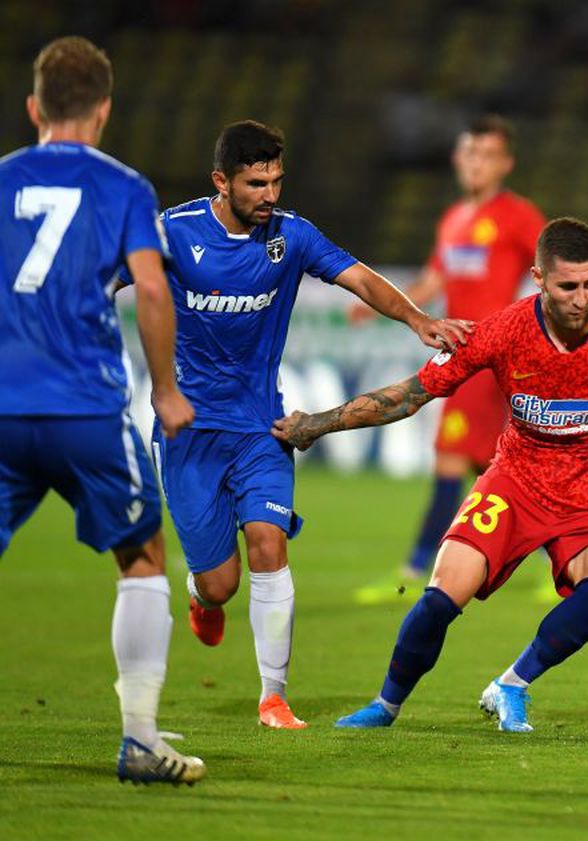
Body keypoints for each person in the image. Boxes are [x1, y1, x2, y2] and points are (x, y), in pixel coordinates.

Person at [273, 217, 588, 731]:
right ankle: (386, 705)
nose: (581, 298)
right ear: (539, 278)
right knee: (442, 596)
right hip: (515, 485)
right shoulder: (503, 332)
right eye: (568, 286)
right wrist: (318, 423)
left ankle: (512, 684)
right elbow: (410, 395)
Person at [125, 120, 471, 730]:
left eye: (277, 181)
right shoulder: (173, 233)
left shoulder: (292, 236)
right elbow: (109, 276)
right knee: (222, 582)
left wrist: (417, 320)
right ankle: (203, 596)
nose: (269, 195)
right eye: (256, 183)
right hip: (188, 433)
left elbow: (360, 277)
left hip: (265, 426)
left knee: (269, 544)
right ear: (221, 182)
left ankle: (273, 697)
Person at [0, 36, 204, 784]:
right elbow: (150, 289)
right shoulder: (123, 187)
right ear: (104, 111)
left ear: (34, 108)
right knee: (142, 555)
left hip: (0, 404)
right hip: (85, 405)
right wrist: (166, 389)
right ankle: (141, 739)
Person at [383, 115, 544, 583]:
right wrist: (382, 304)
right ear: (457, 158)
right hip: (458, 351)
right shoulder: (454, 219)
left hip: (488, 353)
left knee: (451, 456)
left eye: (488, 155)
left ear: (506, 164)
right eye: (470, 152)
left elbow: (552, 269)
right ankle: (563, 559)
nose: (477, 163)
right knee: (490, 465)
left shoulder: (518, 216)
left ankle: (414, 568)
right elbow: (434, 280)